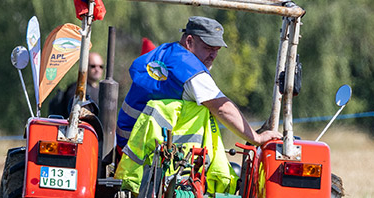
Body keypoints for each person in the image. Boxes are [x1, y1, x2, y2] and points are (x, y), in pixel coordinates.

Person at [115, 16, 282, 155]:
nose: (213, 55)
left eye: (217, 49)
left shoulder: (163, 52)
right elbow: (222, 108)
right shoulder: (191, 70)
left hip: (126, 144)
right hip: (148, 152)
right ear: (189, 41)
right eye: (209, 48)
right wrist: (256, 138)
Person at [50, 51, 104, 118]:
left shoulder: (102, 90)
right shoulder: (77, 89)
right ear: (85, 67)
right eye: (93, 66)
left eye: (101, 66)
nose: (97, 69)